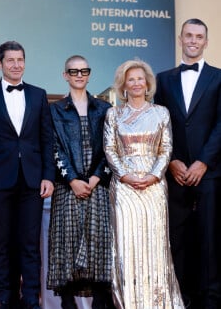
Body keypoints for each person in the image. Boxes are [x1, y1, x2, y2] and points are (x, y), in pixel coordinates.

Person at [0, 40, 55, 309]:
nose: (16, 65)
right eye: (11, 60)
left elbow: (47, 140)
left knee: (30, 241)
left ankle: (31, 296)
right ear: (0, 63)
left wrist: (48, 176)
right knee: (1, 239)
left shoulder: (39, 94)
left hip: (32, 179)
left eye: (20, 60)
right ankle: (3, 295)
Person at [103, 59, 183, 308]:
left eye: (140, 78)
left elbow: (166, 149)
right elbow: (109, 148)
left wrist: (154, 175)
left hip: (154, 187)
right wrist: (125, 175)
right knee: (126, 247)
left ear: (147, 83)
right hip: (124, 188)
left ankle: (158, 303)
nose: (136, 83)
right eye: (131, 79)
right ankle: (128, 303)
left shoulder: (161, 112)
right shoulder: (113, 114)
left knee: (155, 246)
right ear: (123, 85)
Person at [154, 18, 221, 308]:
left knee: (210, 240)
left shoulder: (219, 78)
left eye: (199, 36)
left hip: (211, 173)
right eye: (188, 35)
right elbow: (159, 125)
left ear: (206, 42)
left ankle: (212, 299)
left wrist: (204, 163)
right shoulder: (163, 79)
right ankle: (181, 299)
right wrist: (171, 162)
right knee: (178, 239)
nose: (193, 40)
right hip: (176, 173)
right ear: (180, 39)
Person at [46, 55, 113, 309]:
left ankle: (100, 305)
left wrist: (95, 178)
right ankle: (68, 305)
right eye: (73, 71)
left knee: (98, 245)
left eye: (84, 70)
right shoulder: (54, 110)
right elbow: (53, 148)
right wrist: (72, 179)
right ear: (65, 75)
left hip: (98, 186)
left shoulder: (104, 109)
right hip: (66, 188)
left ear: (89, 73)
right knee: (67, 246)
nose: (79, 75)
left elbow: (110, 148)